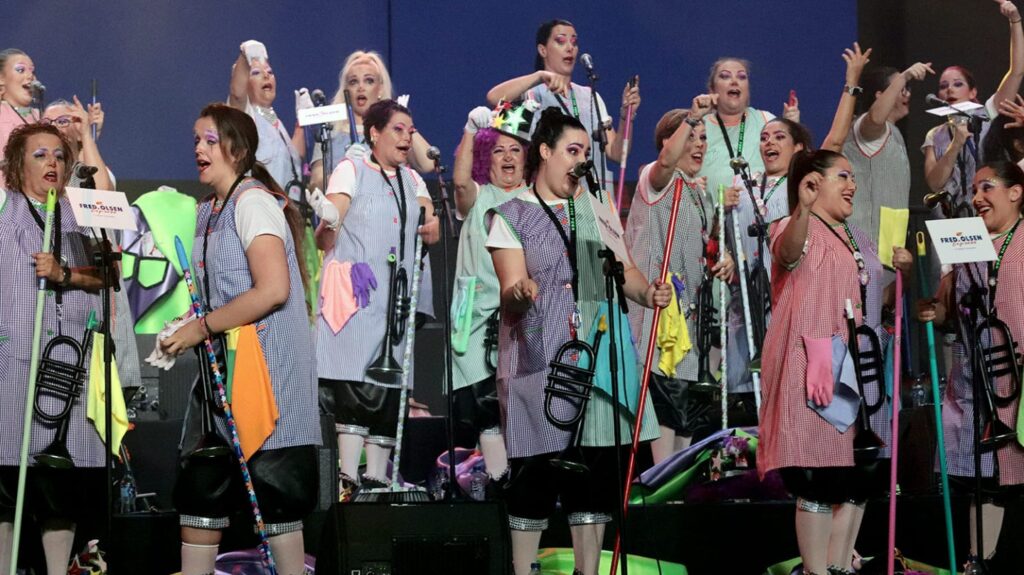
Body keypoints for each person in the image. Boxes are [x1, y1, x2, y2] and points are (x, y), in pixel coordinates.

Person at [488, 108, 671, 575]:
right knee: (535, 473)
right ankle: (523, 568)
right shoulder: (511, 216)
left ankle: (587, 571)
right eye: (572, 151)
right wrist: (521, 291)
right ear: (544, 153)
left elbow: (618, 271)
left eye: (586, 153)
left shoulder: (595, 207)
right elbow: (510, 286)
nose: (580, 161)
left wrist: (647, 291)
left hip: (595, 357)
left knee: (593, 475)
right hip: (539, 358)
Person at [159, 103, 320, 575]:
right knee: (200, 490)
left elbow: (272, 290)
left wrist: (200, 327)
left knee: (277, 497)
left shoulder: (253, 201)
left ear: (239, 149)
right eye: (195, 140)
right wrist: (182, 328)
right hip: (219, 385)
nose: (199, 149)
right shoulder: (206, 211)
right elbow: (218, 298)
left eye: (210, 140)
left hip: (268, 382)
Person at [758, 149, 910, 575]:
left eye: (853, 177)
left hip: (861, 370)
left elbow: (874, 301)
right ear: (812, 182)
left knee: (859, 477)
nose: (852, 184)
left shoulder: (857, 237)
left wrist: (905, 275)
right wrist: (802, 209)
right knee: (819, 479)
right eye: (842, 176)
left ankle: (839, 566)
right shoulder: (792, 226)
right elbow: (788, 254)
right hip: (818, 368)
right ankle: (815, 570)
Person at [727, 43, 871, 417]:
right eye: (764, 137)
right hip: (747, 301)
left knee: (790, 384)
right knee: (746, 389)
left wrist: (851, 84)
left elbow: (835, 142)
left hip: (789, 296)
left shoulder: (801, 184)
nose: (768, 142)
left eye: (779, 137)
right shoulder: (741, 184)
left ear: (799, 149)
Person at [313, 99, 440, 498]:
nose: (407, 138)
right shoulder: (351, 169)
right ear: (374, 133)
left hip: (395, 303)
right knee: (356, 388)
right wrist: (329, 221)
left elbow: (427, 219)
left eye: (410, 130)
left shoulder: (412, 181)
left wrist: (432, 227)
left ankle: (379, 480)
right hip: (358, 296)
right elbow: (325, 231)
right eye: (399, 129)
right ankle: (347, 478)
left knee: (389, 392)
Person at [0, 123, 110, 575]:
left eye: (59, 156)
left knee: (59, 490)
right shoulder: (5, 216)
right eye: (40, 155)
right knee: (7, 486)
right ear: (16, 166)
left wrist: (66, 274)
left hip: (69, 369)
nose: (52, 163)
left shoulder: (80, 213)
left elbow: (108, 276)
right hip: (15, 368)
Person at [918, 161, 1024, 572]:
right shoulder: (967, 242)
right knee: (982, 484)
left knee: (1012, 479)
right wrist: (930, 308)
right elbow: (947, 311)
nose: (978, 197)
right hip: (975, 385)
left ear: (1015, 193)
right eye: (975, 189)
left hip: (1017, 387)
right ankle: (978, 561)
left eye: (988, 187)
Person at [625, 95, 736, 463]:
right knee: (664, 412)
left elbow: (707, 248)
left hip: (690, 324)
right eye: (691, 136)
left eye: (704, 138)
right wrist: (691, 116)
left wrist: (725, 260)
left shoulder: (698, 193)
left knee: (685, 419)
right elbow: (664, 164)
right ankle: (659, 498)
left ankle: (674, 496)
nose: (699, 145)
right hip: (658, 319)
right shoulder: (653, 181)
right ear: (668, 143)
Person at [450, 101, 531, 489]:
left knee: (518, 401)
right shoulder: (478, 197)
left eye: (515, 149)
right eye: (499, 150)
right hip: (476, 317)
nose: (508, 157)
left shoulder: (533, 200)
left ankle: (521, 480)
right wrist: (469, 132)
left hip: (519, 318)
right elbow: (460, 183)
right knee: (483, 402)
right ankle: (499, 479)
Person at [486, 19, 639, 195]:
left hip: (595, 199)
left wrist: (626, 116)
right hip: (553, 199)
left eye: (574, 42)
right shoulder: (532, 96)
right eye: (560, 41)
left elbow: (617, 153)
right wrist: (539, 76)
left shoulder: (591, 96)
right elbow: (493, 98)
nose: (570, 48)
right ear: (543, 50)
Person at [922, 0, 1024, 216]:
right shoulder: (936, 135)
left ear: (973, 92)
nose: (950, 90)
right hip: (953, 222)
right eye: (943, 86)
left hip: (992, 216)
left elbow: (1017, 71)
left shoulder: (988, 114)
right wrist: (956, 143)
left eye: (958, 84)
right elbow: (934, 183)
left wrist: (1014, 20)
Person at [308, 50, 438, 192]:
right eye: (353, 82)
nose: (360, 87)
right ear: (346, 89)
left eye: (369, 80)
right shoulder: (329, 131)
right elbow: (316, 183)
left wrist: (404, 123)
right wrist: (343, 170)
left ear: (380, 88)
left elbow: (428, 164)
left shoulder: (393, 130)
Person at [843, 59, 933, 240]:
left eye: (906, 88)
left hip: (888, 244)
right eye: (901, 89)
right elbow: (875, 118)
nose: (907, 94)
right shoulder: (864, 126)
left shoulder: (894, 132)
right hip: (863, 241)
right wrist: (905, 75)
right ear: (880, 96)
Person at [698, 57, 798, 207]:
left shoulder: (766, 121)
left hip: (764, 219)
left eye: (741, 77)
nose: (734, 81)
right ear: (712, 89)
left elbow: (793, 166)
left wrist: (792, 128)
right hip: (713, 223)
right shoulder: (699, 127)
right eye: (725, 76)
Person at [228, 40, 305, 201]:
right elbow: (237, 93)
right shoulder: (246, 117)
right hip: (262, 213)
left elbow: (296, 158)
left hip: (290, 215)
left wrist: (301, 121)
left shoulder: (273, 119)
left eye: (270, 72)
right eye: (256, 73)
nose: (266, 75)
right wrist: (245, 55)